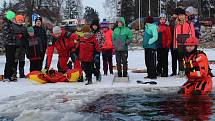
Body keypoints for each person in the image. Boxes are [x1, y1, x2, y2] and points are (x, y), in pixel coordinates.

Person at [173, 8, 195, 77]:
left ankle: (188, 71)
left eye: (182, 15)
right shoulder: (176, 24)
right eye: (180, 15)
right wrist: (175, 45)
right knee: (180, 58)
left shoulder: (189, 23)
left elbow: (192, 34)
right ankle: (181, 71)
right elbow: (175, 35)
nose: (181, 16)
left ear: (185, 16)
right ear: (178, 16)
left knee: (188, 58)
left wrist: (192, 44)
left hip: (187, 44)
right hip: (179, 44)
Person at [2, 10, 17, 81]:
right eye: (12, 18)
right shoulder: (6, 24)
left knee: (12, 60)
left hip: (12, 44)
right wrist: (15, 36)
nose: (13, 19)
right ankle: (7, 75)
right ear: (9, 17)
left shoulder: (10, 24)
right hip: (9, 45)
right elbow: (6, 35)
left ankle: (10, 74)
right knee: (9, 60)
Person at [170, 9, 179, 76]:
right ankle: (174, 71)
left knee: (180, 58)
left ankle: (181, 70)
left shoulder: (178, 21)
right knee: (173, 58)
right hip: (172, 42)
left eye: (175, 14)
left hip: (178, 42)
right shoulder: (171, 21)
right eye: (173, 14)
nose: (174, 15)